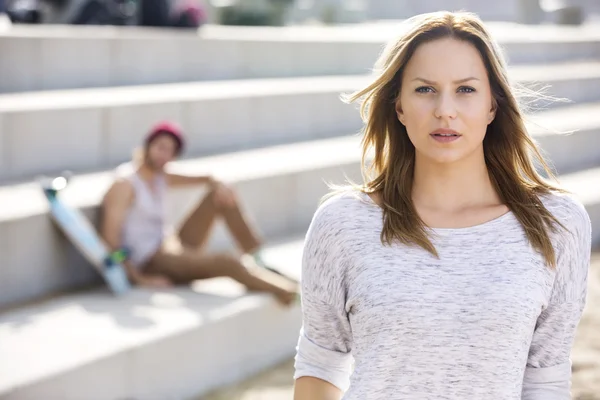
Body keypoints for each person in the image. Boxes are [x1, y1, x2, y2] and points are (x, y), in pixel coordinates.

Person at [293, 11, 591, 400]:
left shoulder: (557, 225)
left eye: (465, 90)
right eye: (424, 89)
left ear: (492, 106)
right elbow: (320, 366)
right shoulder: (343, 223)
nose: (444, 110)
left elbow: (545, 380)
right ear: (398, 106)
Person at [99, 121, 299, 306]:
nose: (164, 155)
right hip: (152, 261)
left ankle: (258, 258)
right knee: (227, 262)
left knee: (218, 195)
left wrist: (219, 182)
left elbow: (207, 179)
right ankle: (291, 293)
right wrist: (139, 279)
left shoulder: (160, 175)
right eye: (160, 147)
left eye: (170, 151)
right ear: (148, 146)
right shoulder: (125, 184)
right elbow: (111, 242)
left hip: (171, 246)